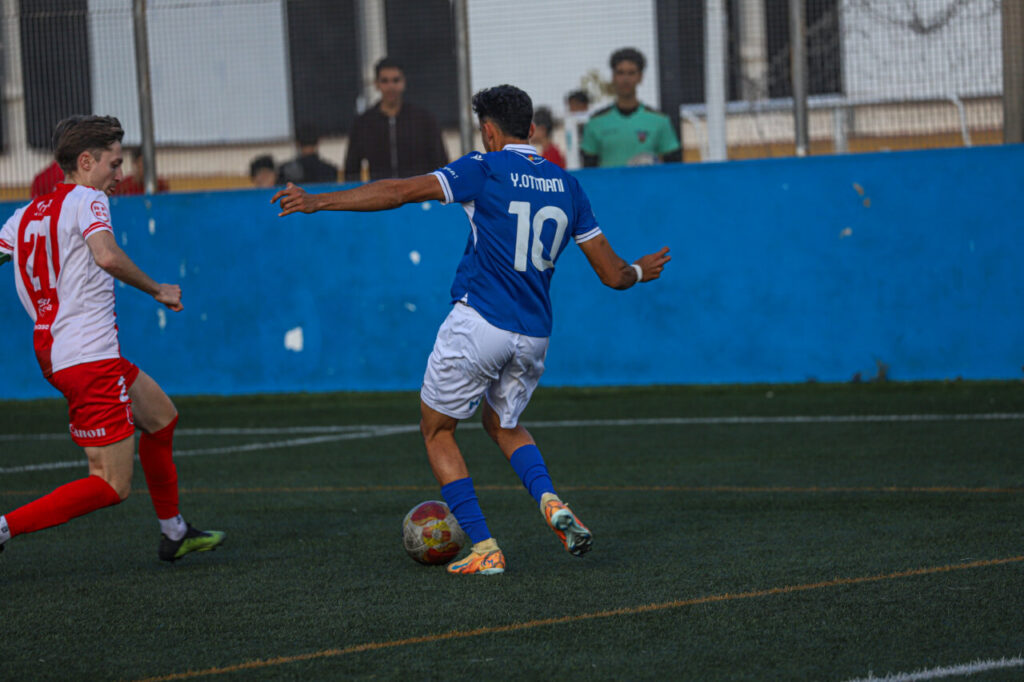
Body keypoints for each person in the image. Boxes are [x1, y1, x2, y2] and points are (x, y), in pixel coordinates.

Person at [273, 85, 670, 576]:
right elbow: (613, 275)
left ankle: (484, 547)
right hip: (534, 334)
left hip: (480, 322)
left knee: (437, 430)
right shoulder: (569, 187)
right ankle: (549, 499)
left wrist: (318, 203)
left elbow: (398, 191)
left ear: (488, 130)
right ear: (530, 127)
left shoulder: (484, 167)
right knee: (502, 424)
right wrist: (637, 270)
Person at [0, 115, 225, 562]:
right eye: (114, 164)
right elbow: (105, 255)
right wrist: (158, 289)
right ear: (86, 161)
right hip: (87, 355)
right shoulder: (89, 199)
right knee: (109, 483)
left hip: (63, 350)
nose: (120, 175)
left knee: (161, 418)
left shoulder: (22, 217)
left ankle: (174, 530)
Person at [343, 57, 448, 182]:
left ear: (404, 82)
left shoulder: (424, 120)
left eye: (396, 80)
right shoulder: (363, 123)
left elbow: (440, 162)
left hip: (418, 196)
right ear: (376, 84)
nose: (391, 86)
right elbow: (351, 169)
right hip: (380, 196)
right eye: (385, 81)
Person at [581, 47, 682, 168]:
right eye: (620, 73)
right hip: (609, 187)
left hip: (647, 186)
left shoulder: (660, 121)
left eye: (631, 73)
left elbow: (674, 168)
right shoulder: (596, 122)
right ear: (613, 77)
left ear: (640, 77)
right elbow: (589, 172)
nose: (625, 79)